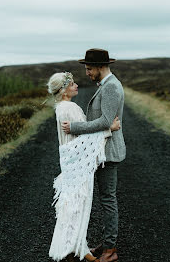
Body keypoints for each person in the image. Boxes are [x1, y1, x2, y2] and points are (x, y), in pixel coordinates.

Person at [47, 71, 121, 262]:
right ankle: (78, 251)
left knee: (71, 205)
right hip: (78, 165)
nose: (76, 85)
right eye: (72, 84)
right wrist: (108, 129)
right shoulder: (69, 108)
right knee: (78, 206)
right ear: (63, 90)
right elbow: (84, 140)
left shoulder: (60, 107)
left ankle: (75, 249)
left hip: (71, 164)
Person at [62, 48, 125, 262]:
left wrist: (75, 127)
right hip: (101, 151)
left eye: (89, 69)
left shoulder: (111, 87)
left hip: (108, 153)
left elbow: (106, 121)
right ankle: (106, 243)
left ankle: (110, 250)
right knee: (103, 198)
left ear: (100, 67)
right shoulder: (106, 85)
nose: (87, 73)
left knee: (108, 199)